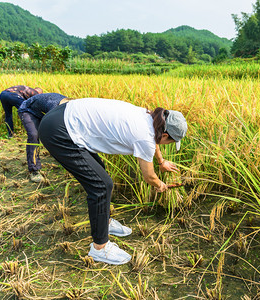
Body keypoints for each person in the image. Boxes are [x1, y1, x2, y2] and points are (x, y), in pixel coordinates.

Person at [38, 98, 187, 265]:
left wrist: (161, 161)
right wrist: (160, 185)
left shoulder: (148, 116)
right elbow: (149, 176)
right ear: (165, 135)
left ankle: (105, 222)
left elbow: (154, 139)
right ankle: (99, 248)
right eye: (170, 142)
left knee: (99, 170)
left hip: (64, 115)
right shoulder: (144, 137)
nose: (167, 144)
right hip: (58, 131)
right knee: (101, 185)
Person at [17, 93, 71, 183]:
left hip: (42, 111)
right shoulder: (56, 107)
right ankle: (34, 170)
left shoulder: (70, 104)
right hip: (28, 110)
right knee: (34, 135)